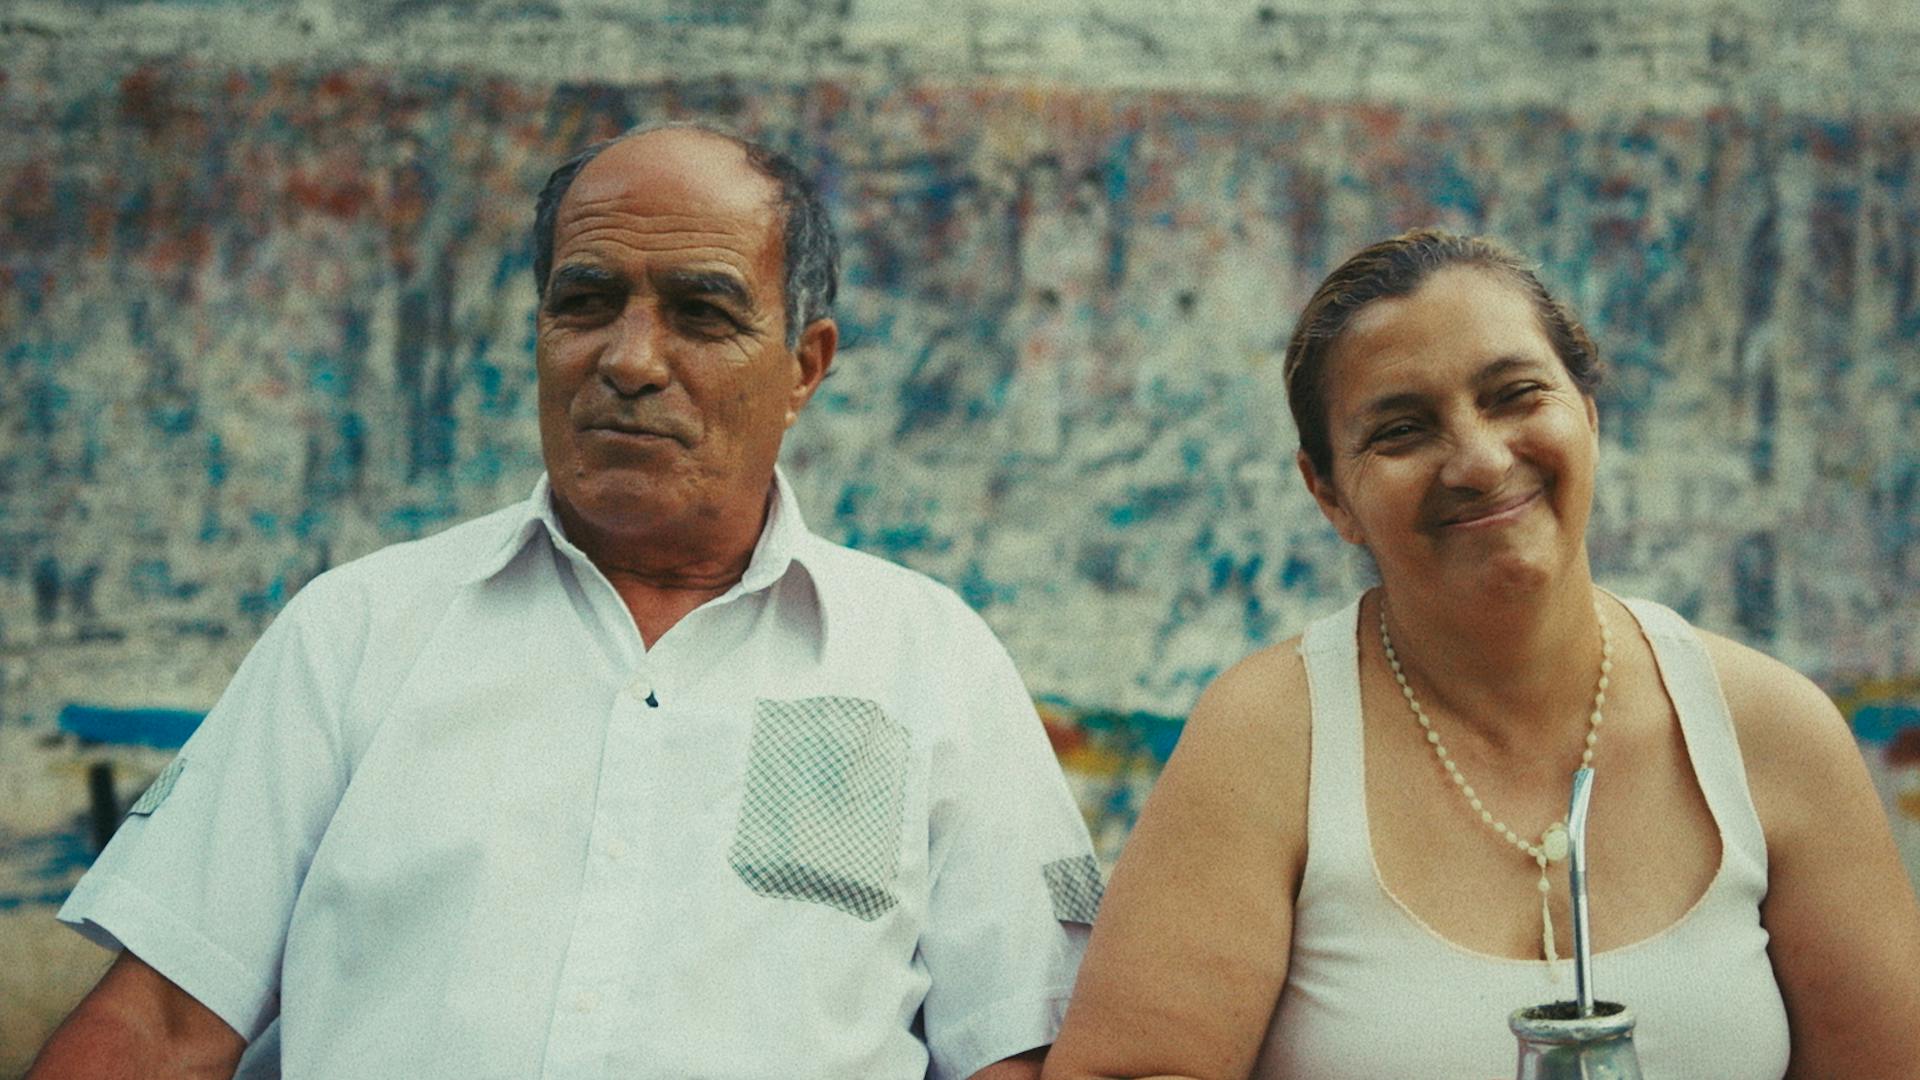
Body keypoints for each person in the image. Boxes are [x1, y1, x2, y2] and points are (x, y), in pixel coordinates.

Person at [29, 122, 1102, 1080]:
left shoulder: (929, 662)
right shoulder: (357, 631)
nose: (629, 361)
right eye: (585, 303)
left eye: (702, 313)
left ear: (803, 368)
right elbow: (161, 1027)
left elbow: (1014, 1052)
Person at [1043, 229, 1920, 1078]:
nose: (1480, 460)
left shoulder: (1768, 729)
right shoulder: (1271, 738)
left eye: (1516, 395)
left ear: (1589, 415)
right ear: (1329, 494)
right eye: (1402, 430)